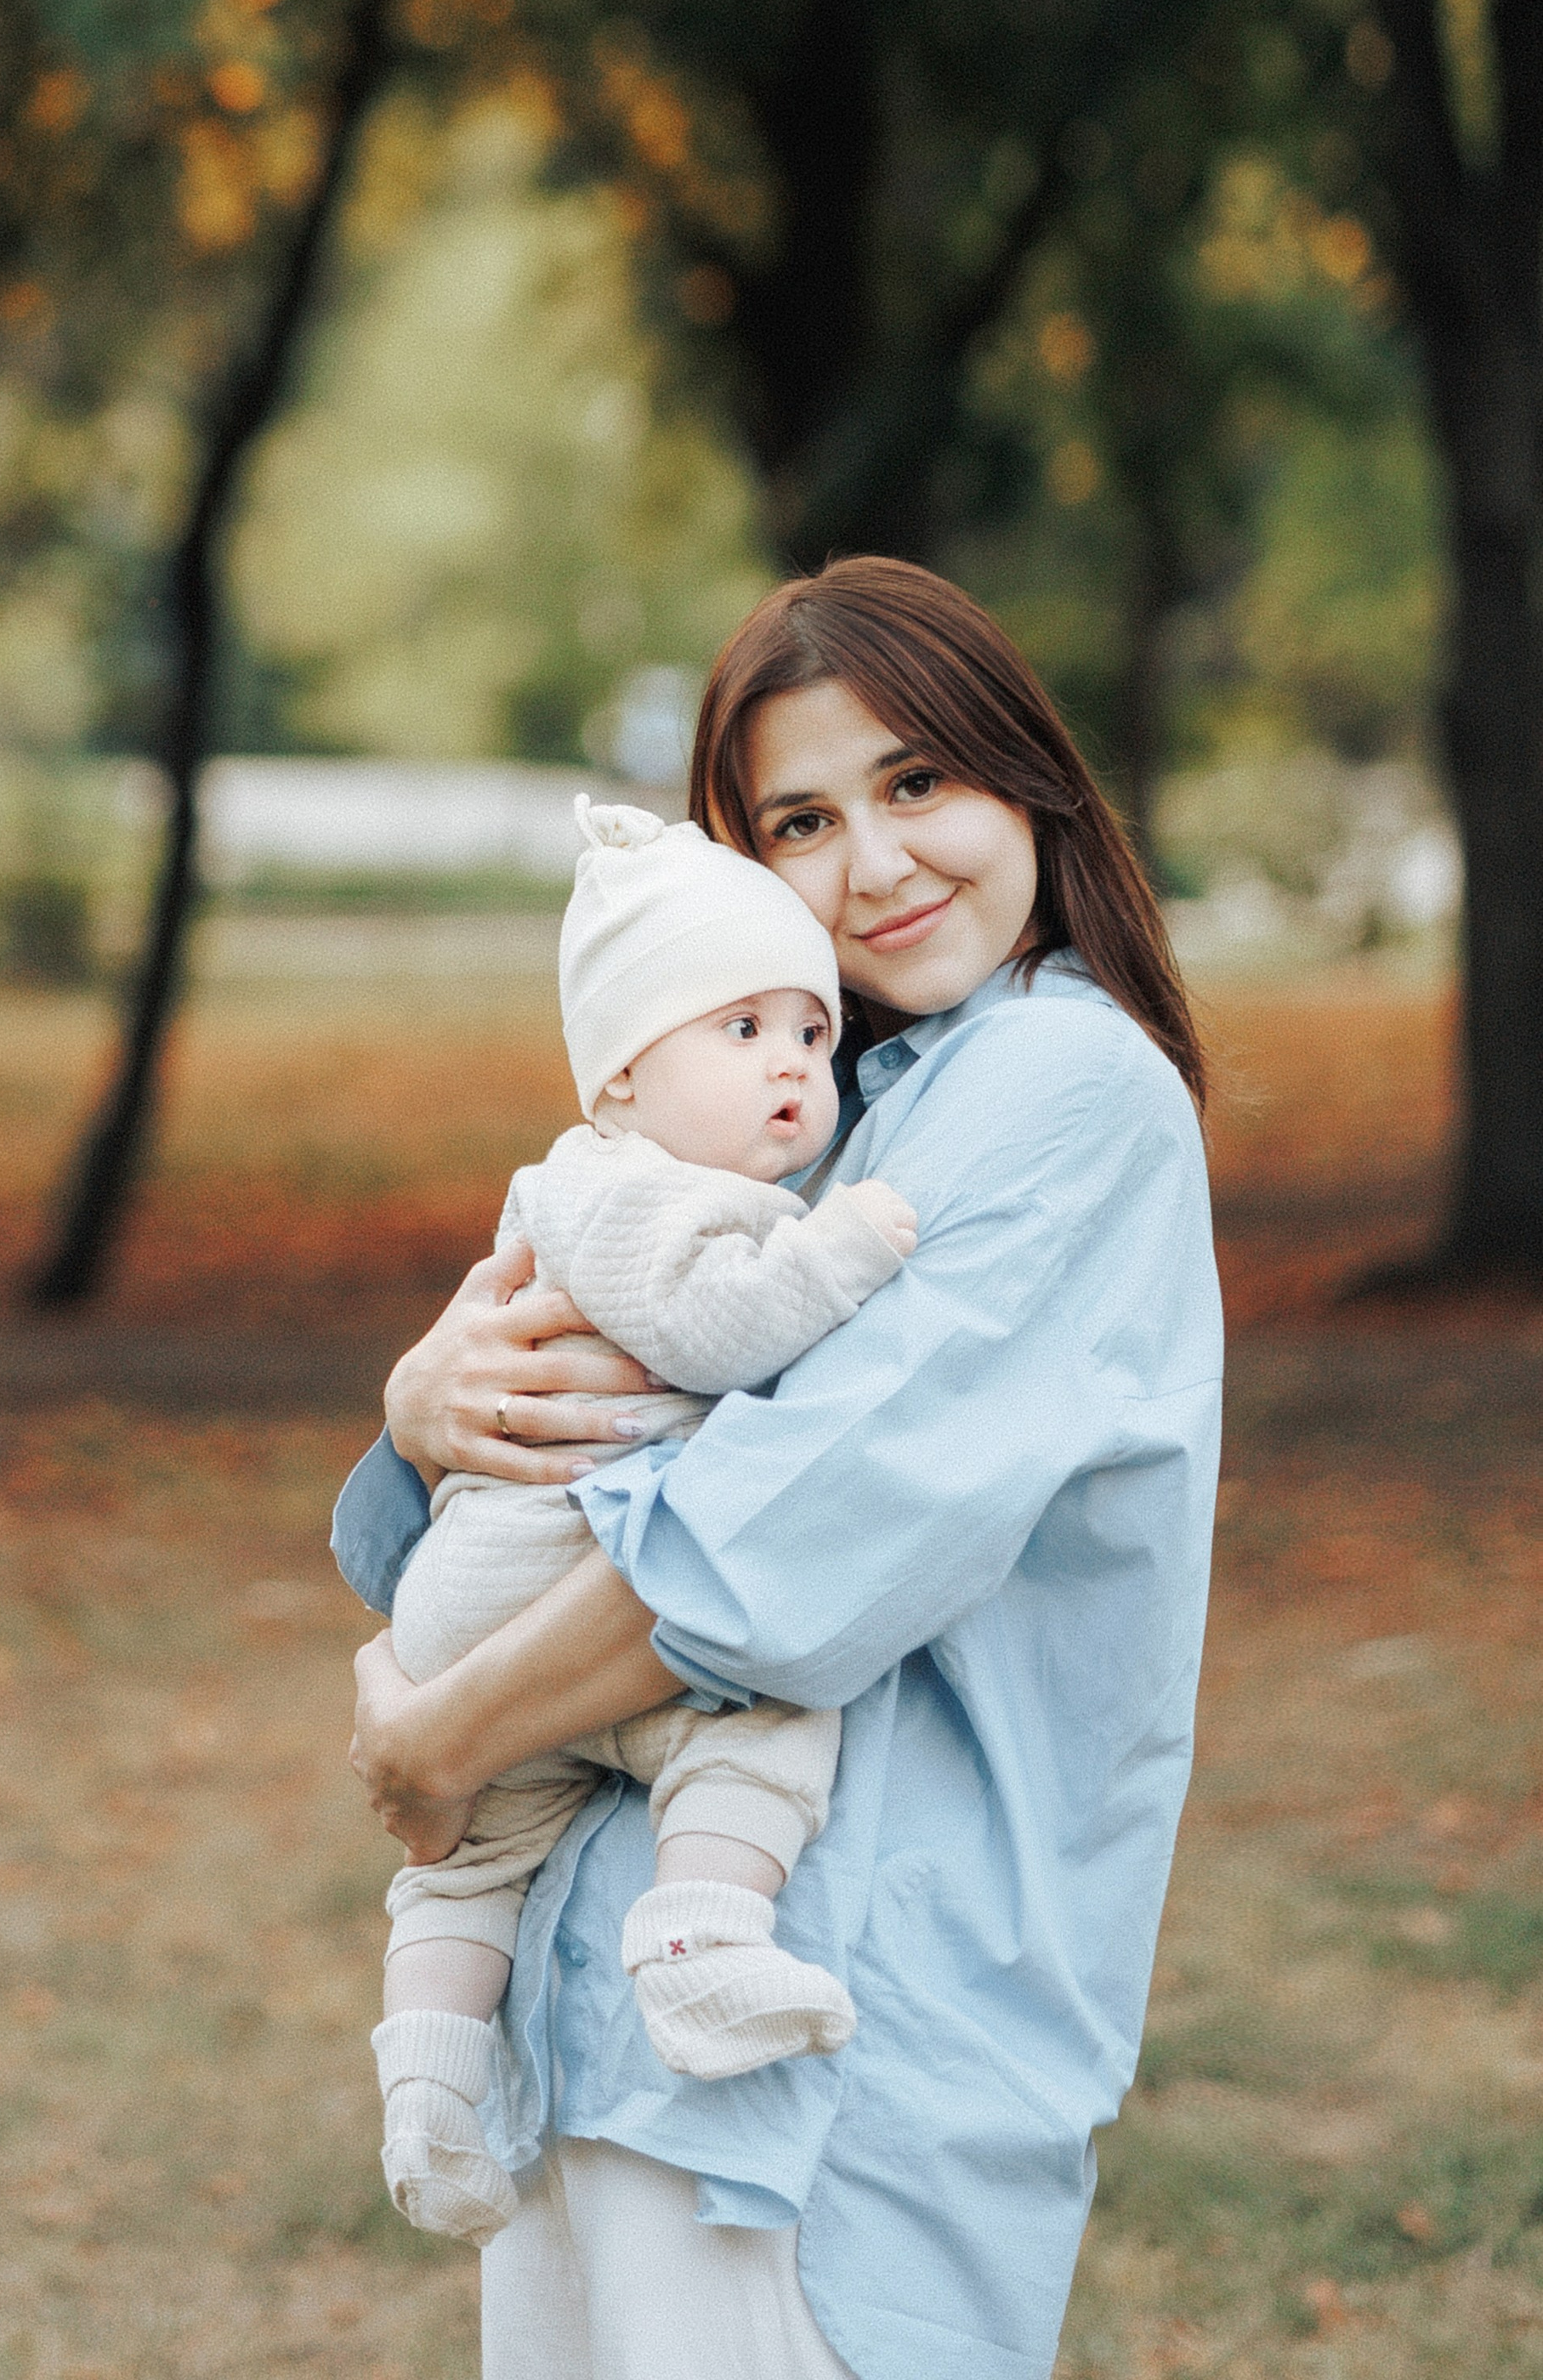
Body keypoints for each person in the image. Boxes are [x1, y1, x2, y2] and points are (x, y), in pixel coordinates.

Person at [334, 559, 1220, 2380]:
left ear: (1026, 779)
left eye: (917, 785)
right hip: (602, 2008)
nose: (877, 865)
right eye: (800, 822)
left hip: (839, 2038)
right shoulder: (803, 1109)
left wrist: (439, 1741)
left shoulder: (1066, 1096)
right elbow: (526, 1473)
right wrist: (423, 1405)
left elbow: (773, 1547)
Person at [375, 793, 916, 2244]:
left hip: (507, 1617)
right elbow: (718, 1331)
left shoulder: (655, 1180)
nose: (795, 1071)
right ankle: (700, 1937)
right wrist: (847, 1253)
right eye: (741, 1034)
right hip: (542, 1583)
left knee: (473, 1862)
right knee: (768, 1725)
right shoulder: (620, 1193)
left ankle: (428, 2090)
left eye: (811, 1035)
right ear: (617, 1077)